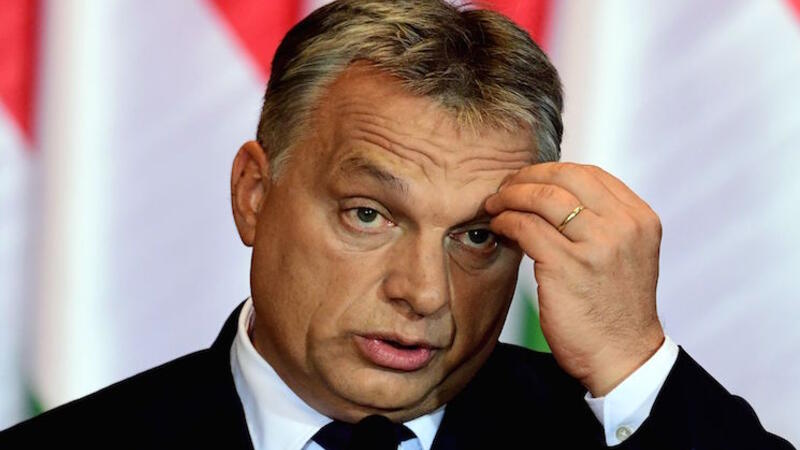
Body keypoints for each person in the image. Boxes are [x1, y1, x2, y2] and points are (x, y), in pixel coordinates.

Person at [0, 1, 794, 449]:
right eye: (369, 215)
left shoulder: (618, 439)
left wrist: (635, 364)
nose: (425, 293)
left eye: (477, 237)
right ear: (253, 194)